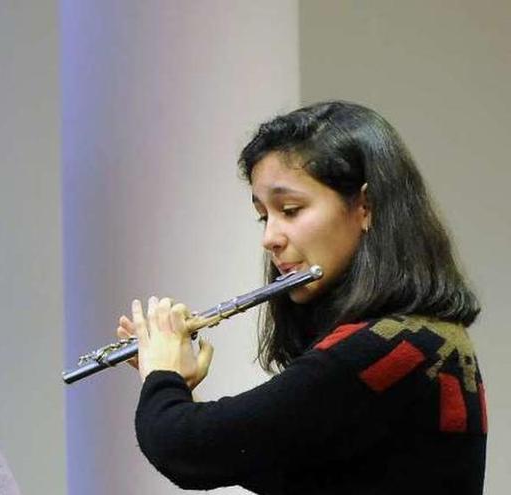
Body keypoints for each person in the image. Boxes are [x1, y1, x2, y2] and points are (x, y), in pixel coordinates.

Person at [118, 101, 486, 494]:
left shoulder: (378, 352)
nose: (270, 238)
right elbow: (290, 467)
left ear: (366, 206)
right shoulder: (426, 338)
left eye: (290, 209)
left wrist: (161, 376)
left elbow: (184, 449)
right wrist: (180, 388)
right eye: (265, 215)